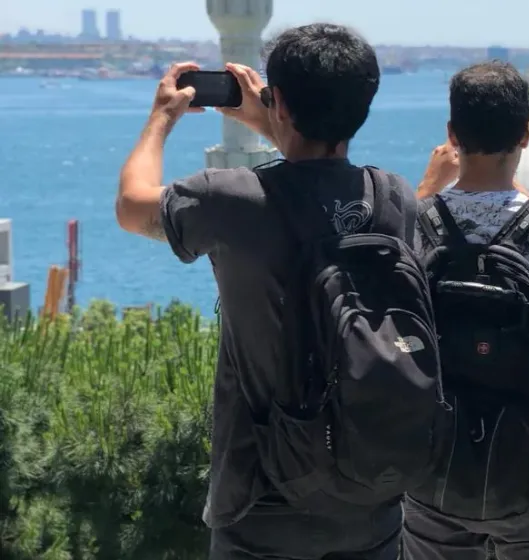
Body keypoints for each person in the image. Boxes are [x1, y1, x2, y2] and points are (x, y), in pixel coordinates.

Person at [114, 24, 414, 559]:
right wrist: (277, 121)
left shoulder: (231, 199)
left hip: (261, 497)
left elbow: (132, 206)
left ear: (280, 102)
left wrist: (162, 117)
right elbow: (318, 180)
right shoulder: (394, 199)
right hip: (371, 490)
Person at [402, 61, 529, 560]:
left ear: (452, 135)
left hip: (434, 462)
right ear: (525, 135)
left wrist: (428, 190)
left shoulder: (411, 225)